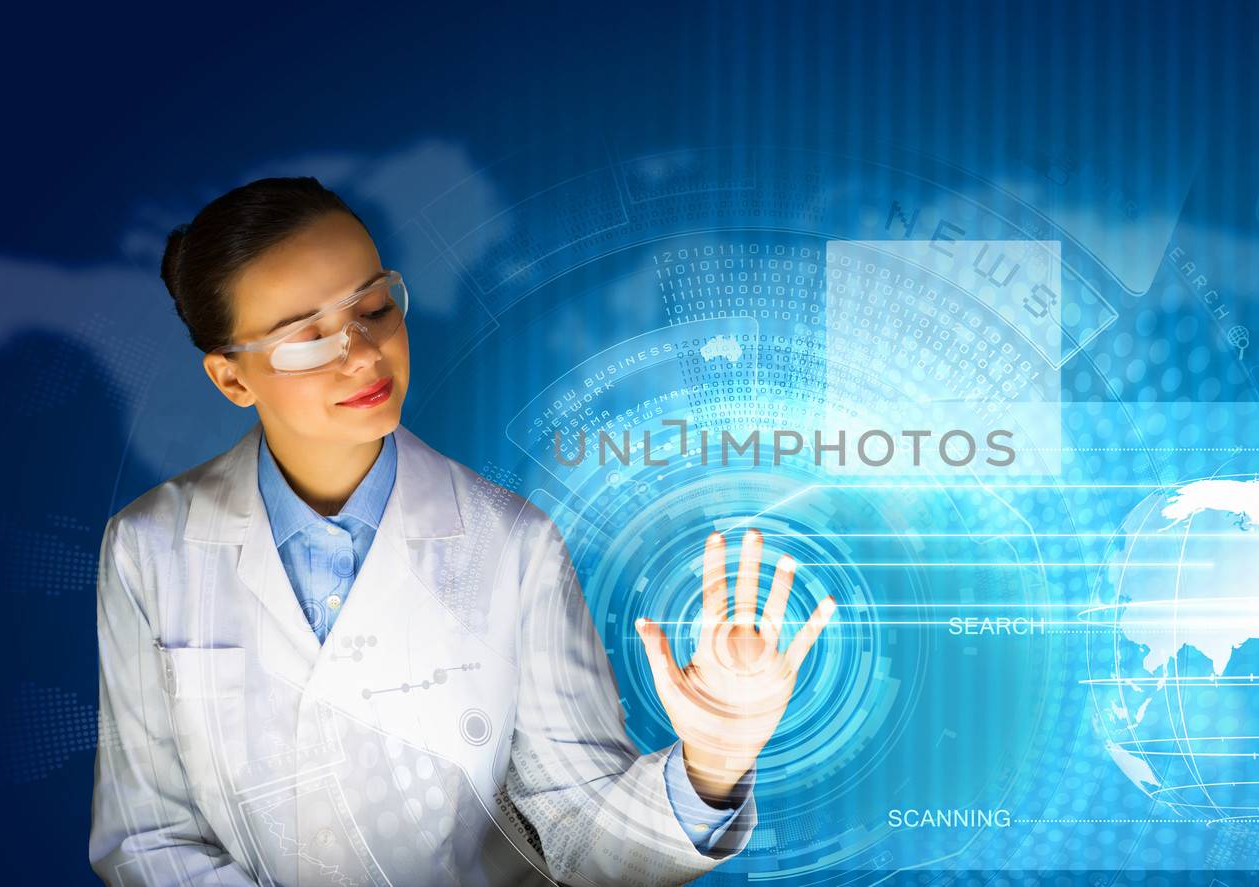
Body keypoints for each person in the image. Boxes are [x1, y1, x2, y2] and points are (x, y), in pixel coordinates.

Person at [89, 176, 836, 886]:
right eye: (308, 339)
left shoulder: (512, 545)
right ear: (232, 379)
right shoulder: (150, 548)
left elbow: (576, 830)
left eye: (373, 308)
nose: (362, 353)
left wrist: (713, 759)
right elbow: (148, 835)